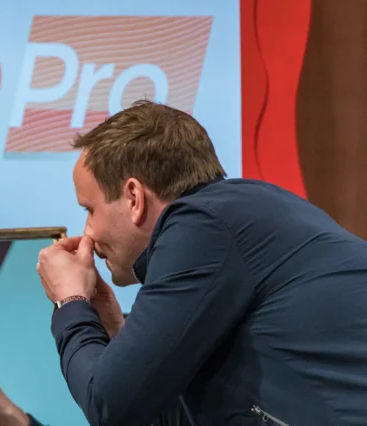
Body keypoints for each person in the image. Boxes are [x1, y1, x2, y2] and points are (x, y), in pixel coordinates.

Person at [27, 100, 367, 425]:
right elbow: (170, 414)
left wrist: (70, 303)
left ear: (133, 197)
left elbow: (110, 407)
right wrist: (118, 334)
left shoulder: (203, 227)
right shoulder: (237, 217)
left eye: (89, 210)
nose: (87, 232)